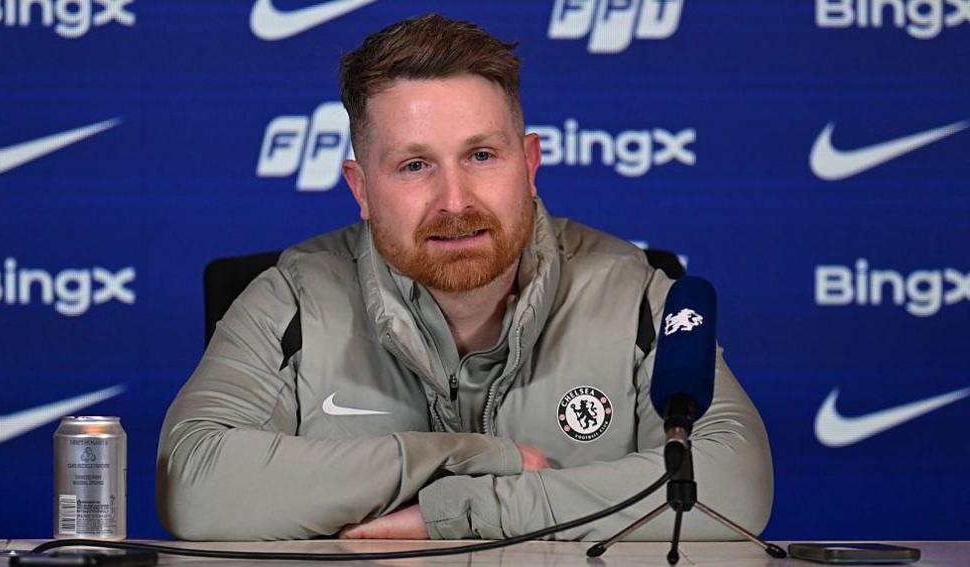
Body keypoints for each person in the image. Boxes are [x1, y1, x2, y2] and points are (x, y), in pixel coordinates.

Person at [157, 13, 773, 541]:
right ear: (361, 188)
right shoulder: (290, 300)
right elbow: (194, 485)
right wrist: (463, 454)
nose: (455, 201)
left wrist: (465, 511)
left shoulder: (635, 294)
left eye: (481, 155)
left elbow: (732, 483)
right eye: (414, 165)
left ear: (528, 164)